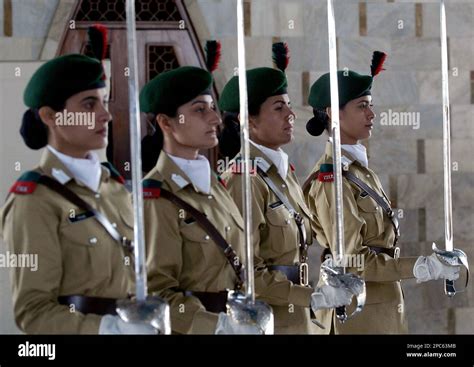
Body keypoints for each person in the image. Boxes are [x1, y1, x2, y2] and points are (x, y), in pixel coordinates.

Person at [303, 51, 461, 334]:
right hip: (356, 314)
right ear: (333, 113)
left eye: (371, 105)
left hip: (383, 308)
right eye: (362, 106)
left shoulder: (359, 171)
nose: (372, 114)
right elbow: (352, 259)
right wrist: (423, 267)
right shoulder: (331, 179)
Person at [0, 53, 154, 334]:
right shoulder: (34, 199)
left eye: (104, 102)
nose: (106, 115)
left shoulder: (114, 187)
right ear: (50, 116)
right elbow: (33, 312)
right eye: (89, 104)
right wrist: (109, 329)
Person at [218, 44, 352, 334]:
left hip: (298, 317)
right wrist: (313, 297)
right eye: (279, 108)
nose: (291, 114)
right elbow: (247, 273)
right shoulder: (245, 180)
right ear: (248, 120)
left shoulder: (282, 174)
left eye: (289, 105)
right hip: (269, 321)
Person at [140, 65, 257, 334]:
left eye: (212, 108)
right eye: (199, 110)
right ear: (166, 122)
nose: (215, 119)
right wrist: (217, 326)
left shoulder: (216, 185)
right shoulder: (157, 195)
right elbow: (157, 293)